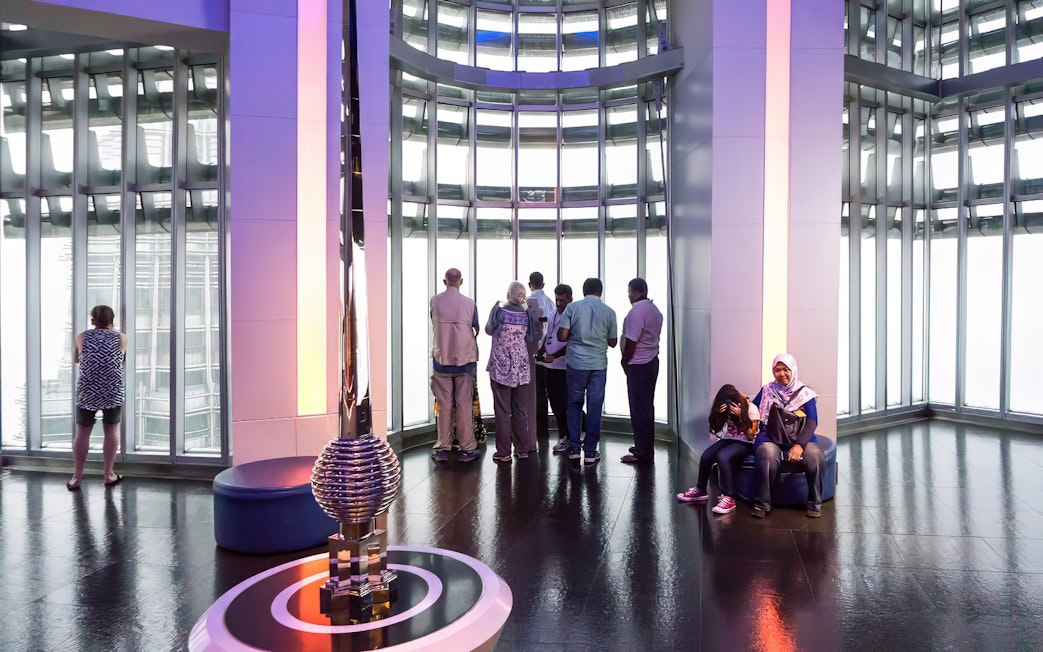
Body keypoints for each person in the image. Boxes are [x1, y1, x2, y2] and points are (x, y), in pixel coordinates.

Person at [750, 354, 826, 518]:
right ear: (773, 371)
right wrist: (740, 401)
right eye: (777, 370)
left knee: (815, 456)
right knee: (766, 454)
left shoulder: (805, 394)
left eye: (786, 369)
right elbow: (753, 408)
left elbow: (812, 421)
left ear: (793, 370)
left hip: (799, 437)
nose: (782, 373)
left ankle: (814, 503)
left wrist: (799, 445)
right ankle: (762, 503)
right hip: (771, 436)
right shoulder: (767, 390)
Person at [558, 277, 617, 465]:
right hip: (598, 364)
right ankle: (591, 451)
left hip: (576, 363)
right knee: (595, 406)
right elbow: (613, 342)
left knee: (574, 405)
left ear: (583, 291)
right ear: (600, 291)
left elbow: (561, 336)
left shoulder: (572, 308)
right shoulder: (609, 312)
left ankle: (574, 447)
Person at [68, 305, 127, 490]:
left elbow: (77, 359)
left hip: (87, 390)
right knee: (111, 431)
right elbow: (120, 359)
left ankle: (77, 478)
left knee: (82, 433)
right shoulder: (121, 338)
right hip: (112, 389)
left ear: (92, 320)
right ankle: (109, 475)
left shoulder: (82, 336)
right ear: (112, 320)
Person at [676, 384, 760, 514]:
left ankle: (729, 497)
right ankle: (700, 490)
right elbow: (716, 430)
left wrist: (740, 417)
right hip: (728, 440)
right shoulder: (724, 409)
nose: (731, 405)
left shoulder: (751, 408)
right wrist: (718, 415)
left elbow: (750, 435)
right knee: (706, 456)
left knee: (723, 456)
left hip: (745, 443)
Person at [430, 268, 482, 463]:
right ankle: (467, 447)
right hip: (465, 362)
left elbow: (433, 321)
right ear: (461, 281)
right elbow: (476, 327)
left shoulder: (435, 301)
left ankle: (442, 447)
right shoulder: (470, 303)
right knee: (464, 405)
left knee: (444, 406)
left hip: (441, 360)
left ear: (445, 281)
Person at [486, 281, 538, 463]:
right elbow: (531, 337)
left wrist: (493, 310)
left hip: (501, 367)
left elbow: (488, 330)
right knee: (520, 410)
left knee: (502, 411)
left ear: (508, 294)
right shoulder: (527, 315)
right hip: (522, 367)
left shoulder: (499, 312)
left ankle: (504, 452)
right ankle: (522, 449)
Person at [618, 278, 664, 464]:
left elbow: (631, 343)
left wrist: (624, 361)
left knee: (638, 409)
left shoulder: (636, 312)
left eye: (629, 292)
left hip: (639, 365)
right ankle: (644, 446)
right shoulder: (655, 311)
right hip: (651, 362)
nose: (628, 296)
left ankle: (643, 452)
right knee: (646, 407)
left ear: (634, 292)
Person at [544, 285, 578, 453]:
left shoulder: (572, 315)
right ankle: (565, 435)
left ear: (570, 299)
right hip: (550, 366)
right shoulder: (552, 314)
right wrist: (542, 350)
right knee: (555, 403)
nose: (558, 303)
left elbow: (571, 342)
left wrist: (555, 355)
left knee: (566, 404)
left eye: (562, 300)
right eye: (557, 299)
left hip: (565, 366)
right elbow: (548, 335)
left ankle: (571, 436)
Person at [528, 272, 556, 438]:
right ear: (543, 284)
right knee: (547, 392)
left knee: (534, 393)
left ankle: (537, 428)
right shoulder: (552, 303)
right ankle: (544, 428)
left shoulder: (528, 303)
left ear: (530, 284)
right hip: (549, 353)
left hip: (532, 353)